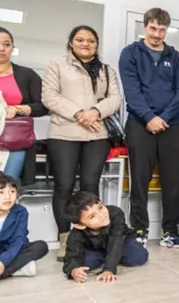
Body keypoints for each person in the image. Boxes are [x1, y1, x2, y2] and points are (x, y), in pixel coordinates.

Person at [42, 25, 123, 262]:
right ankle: (66, 239)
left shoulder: (106, 70)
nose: (85, 44)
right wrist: (79, 114)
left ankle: (92, 238)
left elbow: (115, 98)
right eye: (80, 40)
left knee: (90, 186)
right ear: (71, 43)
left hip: (97, 136)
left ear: (96, 44)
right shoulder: (57, 65)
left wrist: (95, 112)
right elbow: (49, 96)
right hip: (63, 133)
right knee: (64, 186)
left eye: (90, 40)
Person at [119, 8, 179, 248]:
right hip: (140, 124)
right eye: (153, 28)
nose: (157, 34)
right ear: (145, 27)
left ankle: (170, 232)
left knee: (172, 181)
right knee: (139, 180)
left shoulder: (176, 57)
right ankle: (139, 230)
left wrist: (164, 118)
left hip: (172, 125)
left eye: (162, 29)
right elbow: (132, 90)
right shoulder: (130, 53)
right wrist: (149, 117)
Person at [62, 191, 149, 283]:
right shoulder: (76, 234)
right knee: (84, 263)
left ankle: (114, 257)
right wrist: (74, 270)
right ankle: (110, 257)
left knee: (137, 256)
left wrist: (109, 269)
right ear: (80, 225)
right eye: (92, 216)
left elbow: (117, 241)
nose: (101, 215)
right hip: (97, 250)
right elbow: (71, 257)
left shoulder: (115, 213)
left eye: (100, 207)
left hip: (121, 242)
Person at [0, 27, 47, 184]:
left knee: (7, 187)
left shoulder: (27, 75)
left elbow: (44, 106)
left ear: (12, 48)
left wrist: (18, 109)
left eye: (7, 44)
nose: (2, 48)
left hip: (15, 141)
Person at [0, 172, 48, 279]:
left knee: (41, 246)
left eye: (12, 191)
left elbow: (19, 240)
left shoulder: (20, 211)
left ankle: (6, 270)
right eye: (1, 192)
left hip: (11, 250)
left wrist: (2, 261)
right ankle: (17, 268)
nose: (8, 197)